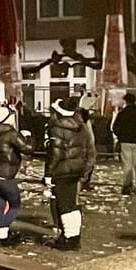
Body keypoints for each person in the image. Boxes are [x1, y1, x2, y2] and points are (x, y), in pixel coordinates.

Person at [44, 96, 93, 251]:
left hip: (62, 171)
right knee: (72, 204)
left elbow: (55, 154)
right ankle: (74, 236)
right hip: (76, 169)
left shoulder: (57, 128)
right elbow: (87, 150)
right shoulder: (81, 126)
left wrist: (48, 174)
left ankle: (69, 240)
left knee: (63, 206)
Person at [0, 107, 36, 245]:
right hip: (6, 176)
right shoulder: (11, 133)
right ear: (6, 119)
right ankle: (2, 229)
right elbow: (27, 149)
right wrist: (28, 137)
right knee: (15, 205)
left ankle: (1, 238)